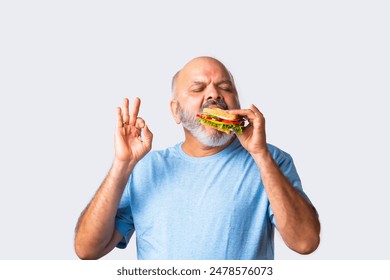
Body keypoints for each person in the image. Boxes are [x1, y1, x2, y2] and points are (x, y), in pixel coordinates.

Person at [74, 56, 320, 260]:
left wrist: (261, 154)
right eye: (198, 88)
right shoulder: (144, 168)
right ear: (175, 111)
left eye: (225, 88)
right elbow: (87, 250)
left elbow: (305, 242)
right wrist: (121, 165)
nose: (215, 94)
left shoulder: (271, 159)